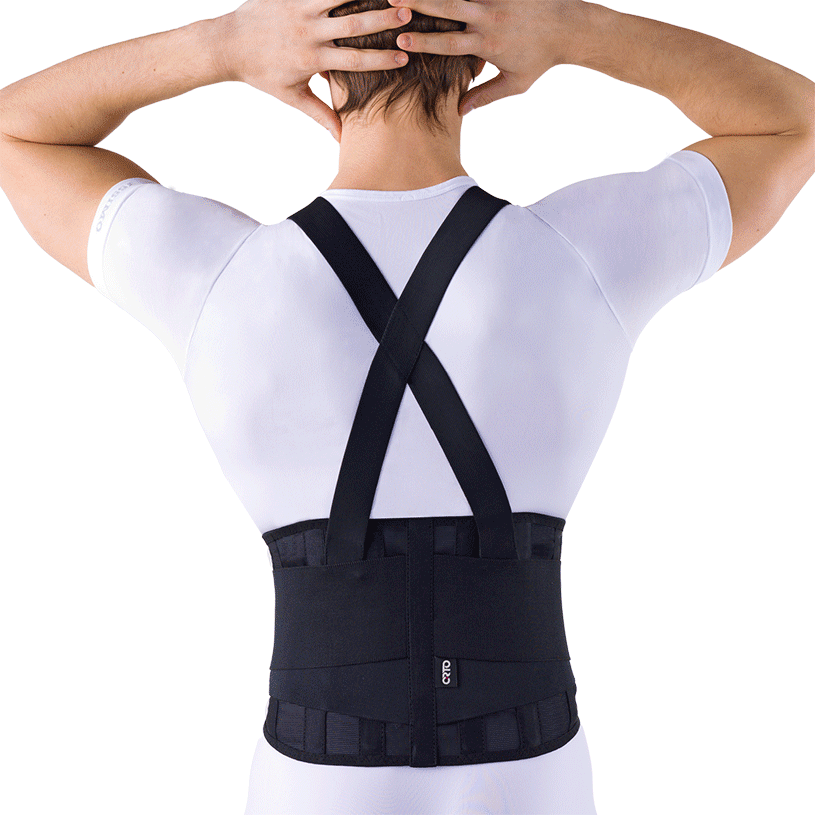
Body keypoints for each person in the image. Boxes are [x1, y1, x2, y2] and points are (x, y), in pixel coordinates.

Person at [0, 1, 812, 813]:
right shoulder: (585, 254)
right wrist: (569, 30)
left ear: (320, 61)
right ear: (477, 53)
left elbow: (18, 130)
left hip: (312, 777)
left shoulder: (214, 275)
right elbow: (791, 120)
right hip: (530, 772)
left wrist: (225, 45)